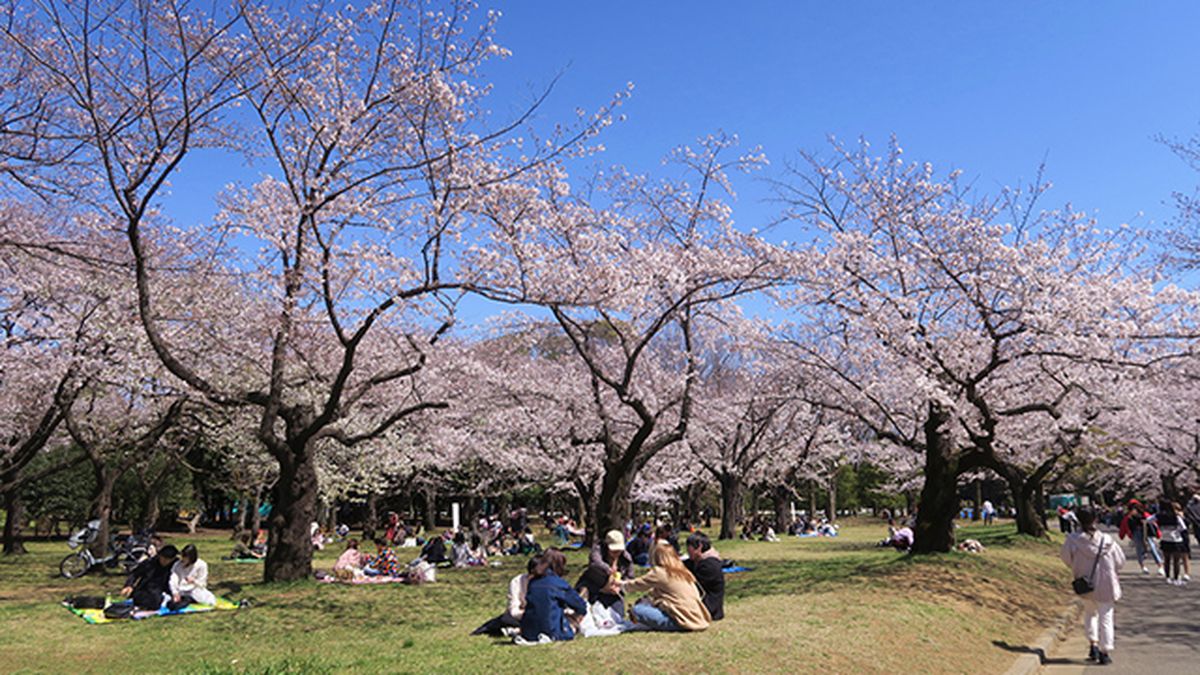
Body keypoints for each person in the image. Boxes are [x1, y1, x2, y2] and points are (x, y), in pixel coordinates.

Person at [1061, 507, 1125, 666]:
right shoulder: (1108, 540)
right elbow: (1120, 561)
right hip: (1106, 583)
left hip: (1085, 583)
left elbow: (1066, 559)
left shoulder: (1073, 540)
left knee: (1090, 614)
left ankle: (1093, 643)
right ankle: (1105, 651)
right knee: (1106, 617)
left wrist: (1078, 566)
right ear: (1095, 519)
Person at [613, 541, 711, 632]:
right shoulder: (684, 572)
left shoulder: (660, 572)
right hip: (698, 618)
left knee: (636, 610)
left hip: (681, 621)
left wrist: (621, 584)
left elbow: (638, 584)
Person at [520, 549, 588, 642]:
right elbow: (580, 605)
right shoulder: (558, 583)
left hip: (528, 631)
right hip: (551, 630)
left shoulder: (533, 582)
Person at [472, 555, 540, 636]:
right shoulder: (517, 582)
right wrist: (528, 614)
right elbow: (514, 611)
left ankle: (512, 631)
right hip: (518, 618)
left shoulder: (547, 584)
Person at [576, 529, 636, 619]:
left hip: (614, 593)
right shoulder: (597, 551)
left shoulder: (626, 559)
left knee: (618, 616)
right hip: (594, 588)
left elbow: (630, 577)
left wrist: (620, 587)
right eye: (613, 550)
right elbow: (595, 563)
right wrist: (609, 571)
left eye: (619, 550)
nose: (616, 553)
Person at [122, 545, 179, 610]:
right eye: (163, 558)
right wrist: (129, 585)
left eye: (168, 560)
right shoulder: (149, 563)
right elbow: (135, 574)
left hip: (166, 589)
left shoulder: (176, 564)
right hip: (147, 588)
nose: (164, 561)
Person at [683, 532, 724, 621]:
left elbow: (690, 587)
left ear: (699, 547)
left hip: (707, 610)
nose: (687, 550)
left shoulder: (710, 566)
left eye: (689, 547)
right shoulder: (697, 561)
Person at [1118, 499, 1163, 575]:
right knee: (1139, 550)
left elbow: (1154, 524)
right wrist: (1122, 535)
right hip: (1136, 533)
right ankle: (1143, 566)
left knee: (1152, 548)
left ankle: (1160, 566)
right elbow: (1124, 526)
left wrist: (1158, 533)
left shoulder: (1145, 514)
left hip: (1146, 533)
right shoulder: (1128, 517)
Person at [168, 544, 215, 610]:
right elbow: (173, 579)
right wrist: (175, 592)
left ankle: (188, 600)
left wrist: (193, 581)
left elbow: (203, 584)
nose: (182, 559)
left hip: (194, 591)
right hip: (181, 590)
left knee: (185, 601)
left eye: (185, 557)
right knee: (171, 604)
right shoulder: (178, 565)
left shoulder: (201, 565)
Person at [1155, 500, 1188, 585]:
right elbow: (1183, 527)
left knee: (1167, 560)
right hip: (1176, 540)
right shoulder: (1176, 517)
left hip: (1165, 539)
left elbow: (1148, 520)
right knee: (1176, 561)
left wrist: (1159, 527)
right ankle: (1176, 579)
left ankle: (1167, 578)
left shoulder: (1159, 516)